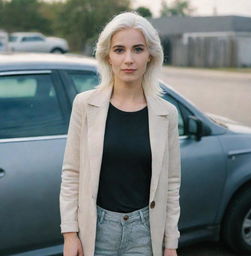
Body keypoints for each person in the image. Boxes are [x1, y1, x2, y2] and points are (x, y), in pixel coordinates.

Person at [59, 11, 181, 256]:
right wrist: (70, 234)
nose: (129, 59)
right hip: (97, 229)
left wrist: (170, 244)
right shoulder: (85, 105)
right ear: (107, 56)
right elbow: (72, 173)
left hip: (144, 233)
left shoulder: (166, 113)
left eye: (138, 49)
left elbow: (171, 184)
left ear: (150, 56)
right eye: (119, 50)